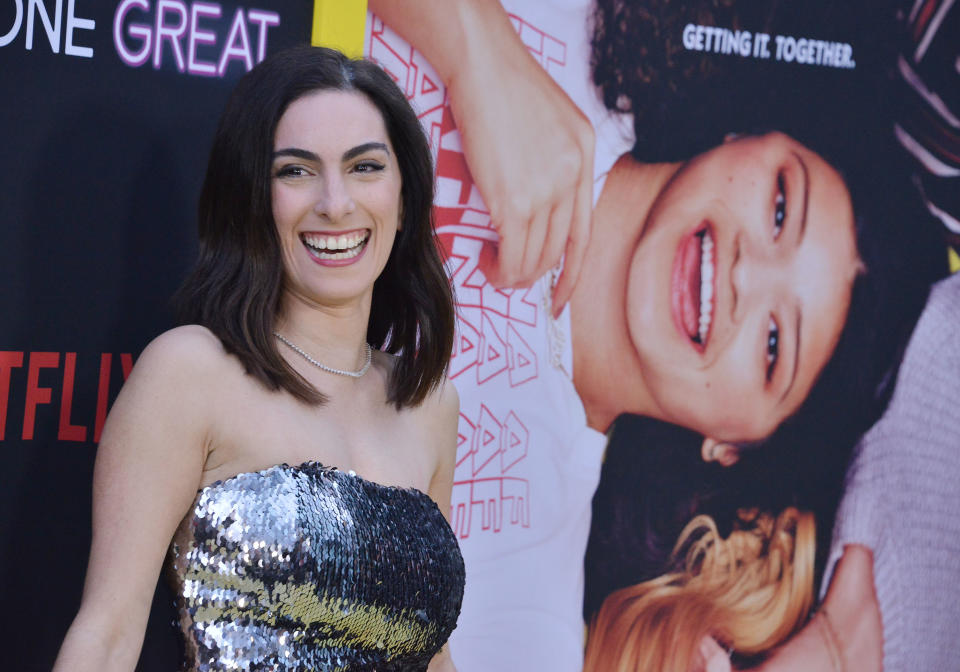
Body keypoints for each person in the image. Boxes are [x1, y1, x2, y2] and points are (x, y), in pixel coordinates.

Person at [365, 1, 948, 670]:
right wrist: (475, 47)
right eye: (781, 205)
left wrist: (833, 659)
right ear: (746, 136)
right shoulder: (568, 22)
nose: (743, 274)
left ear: (731, 445)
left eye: (771, 347)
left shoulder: (522, 583)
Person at [52, 46, 464, 672]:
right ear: (252, 198)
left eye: (365, 167)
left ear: (404, 200)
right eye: (296, 171)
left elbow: (428, 655)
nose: (335, 203)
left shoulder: (429, 403)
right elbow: (106, 636)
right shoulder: (191, 373)